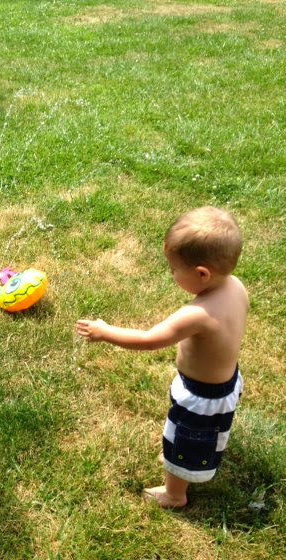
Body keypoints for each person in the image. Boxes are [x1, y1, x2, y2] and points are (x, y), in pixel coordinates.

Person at [76, 206, 249, 508]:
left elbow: (149, 340)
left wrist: (105, 331)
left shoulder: (197, 314)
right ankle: (190, 449)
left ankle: (174, 494)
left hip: (201, 397)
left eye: (174, 269)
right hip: (227, 383)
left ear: (202, 274)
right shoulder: (236, 287)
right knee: (207, 431)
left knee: (187, 442)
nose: (171, 274)